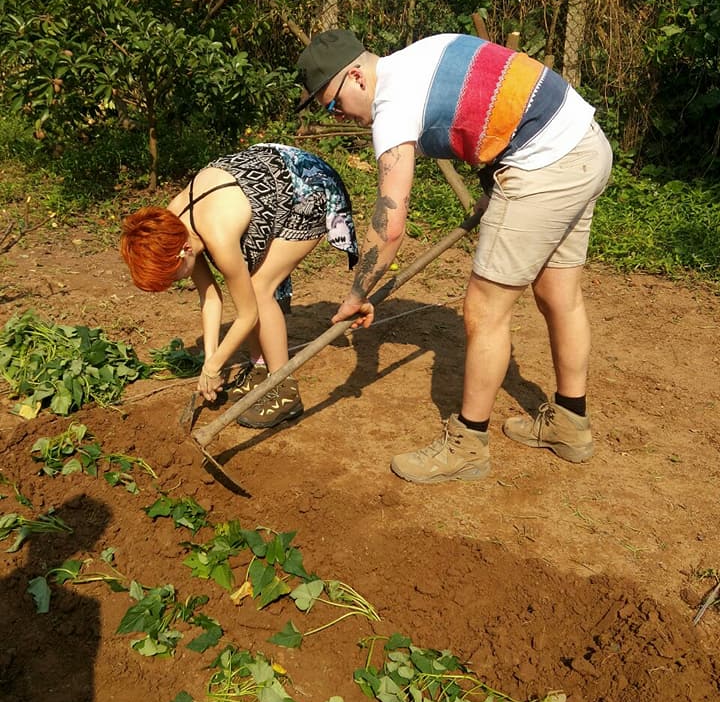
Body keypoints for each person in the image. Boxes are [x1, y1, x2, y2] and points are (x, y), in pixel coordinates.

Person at [296, 29, 613, 482]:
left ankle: (468, 445)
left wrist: (356, 292)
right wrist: (496, 185)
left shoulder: (390, 105)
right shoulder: (425, 51)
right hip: (583, 143)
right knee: (559, 293)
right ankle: (570, 424)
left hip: (545, 166)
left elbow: (389, 225)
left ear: (357, 78)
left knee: (484, 310)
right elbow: (492, 103)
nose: (343, 116)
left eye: (334, 105)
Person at [120, 142, 357, 428]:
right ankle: (259, 371)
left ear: (184, 250)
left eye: (173, 277)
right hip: (267, 187)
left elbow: (247, 314)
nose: (175, 282)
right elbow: (210, 298)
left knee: (258, 289)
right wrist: (211, 359)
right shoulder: (172, 224)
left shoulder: (216, 233)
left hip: (309, 186)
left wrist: (215, 366)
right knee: (251, 286)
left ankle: (284, 390)